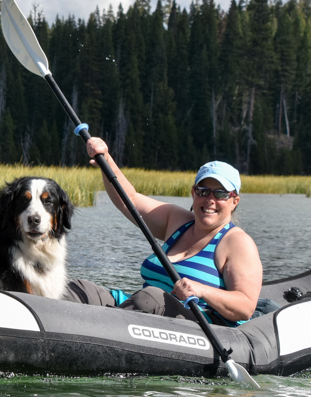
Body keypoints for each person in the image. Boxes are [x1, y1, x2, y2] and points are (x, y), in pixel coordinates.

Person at [62, 137, 262, 326]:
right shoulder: (177, 220)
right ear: (194, 193)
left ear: (234, 200)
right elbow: (129, 199)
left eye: (220, 194)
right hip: (142, 311)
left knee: (150, 298)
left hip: (196, 325)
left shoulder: (237, 242)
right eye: (203, 191)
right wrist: (106, 159)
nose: (210, 199)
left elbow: (245, 307)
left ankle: (101, 330)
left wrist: (202, 290)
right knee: (77, 289)